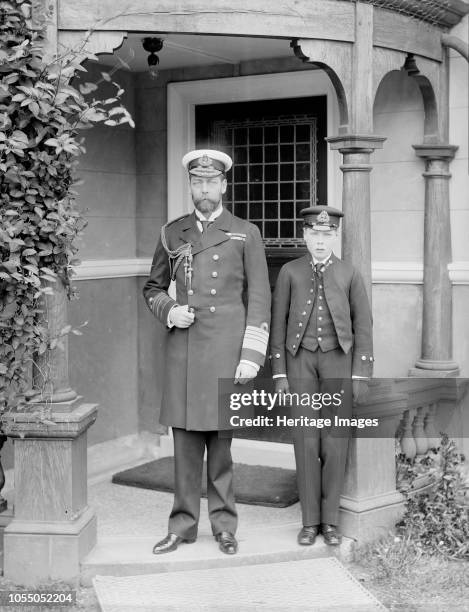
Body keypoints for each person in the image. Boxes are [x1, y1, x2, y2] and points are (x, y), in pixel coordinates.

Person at [143, 149, 271, 555]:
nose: (204, 189)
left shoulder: (245, 232)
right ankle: (181, 526)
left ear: (224, 186)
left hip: (226, 351)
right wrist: (170, 311)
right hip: (184, 351)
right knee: (183, 447)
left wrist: (251, 355)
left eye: (211, 182)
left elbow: (261, 298)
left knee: (220, 447)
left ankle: (224, 526)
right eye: (197, 183)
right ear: (191, 187)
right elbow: (152, 287)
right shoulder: (172, 233)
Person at [270, 206, 373, 546]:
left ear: (335, 236)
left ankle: (330, 522)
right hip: (300, 362)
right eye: (314, 233)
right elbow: (278, 324)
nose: (319, 240)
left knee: (335, 440)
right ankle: (309, 521)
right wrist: (280, 372)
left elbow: (363, 326)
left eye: (326, 234)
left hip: (338, 363)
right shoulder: (289, 272)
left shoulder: (349, 273)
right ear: (304, 235)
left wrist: (360, 374)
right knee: (305, 439)